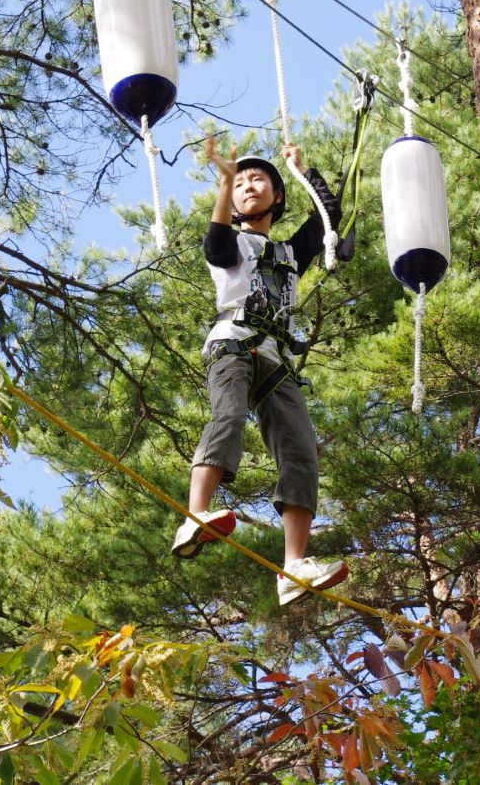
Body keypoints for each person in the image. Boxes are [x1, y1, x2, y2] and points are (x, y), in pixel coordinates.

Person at [172, 135, 350, 606]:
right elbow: (214, 244)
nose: (250, 186)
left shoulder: (292, 253)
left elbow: (328, 217)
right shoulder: (233, 244)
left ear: (276, 195)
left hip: (276, 360)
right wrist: (224, 181)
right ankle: (196, 514)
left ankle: (293, 566)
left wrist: (302, 169)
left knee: (300, 451)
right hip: (232, 344)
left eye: (259, 180)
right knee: (227, 416)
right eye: (242, 183)